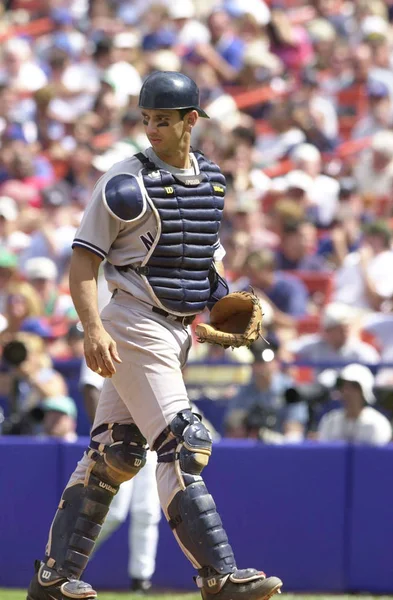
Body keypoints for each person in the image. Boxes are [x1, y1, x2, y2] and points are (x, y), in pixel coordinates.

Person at [27, 71, 283, 600]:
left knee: (115, 454)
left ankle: (52, 578)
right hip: (132, 320)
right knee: (184, 441)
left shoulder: (211, 181)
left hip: (175, 332)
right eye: (147, 119)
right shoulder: (124, 182)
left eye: (163, 120)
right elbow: (82, 263)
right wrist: (92, 328)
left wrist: (221, 299)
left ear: (192, 120)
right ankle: (217, 576)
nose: (152, 130)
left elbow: (200, 265)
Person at [80, 359, 161, 593]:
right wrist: (105, 434)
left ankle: (141, 581)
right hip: (116, 441)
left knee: (147, 512)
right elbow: (89, 387)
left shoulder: (149, 336)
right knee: (112, 511)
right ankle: (69, 565)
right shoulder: (107, 331)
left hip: (149, 436)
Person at [318, 364, 392, 445]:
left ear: (364, 392)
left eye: (353, 387)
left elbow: (376, 455)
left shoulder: (377, 424)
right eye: (343, 386)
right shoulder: (330, 421)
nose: (346, 392)